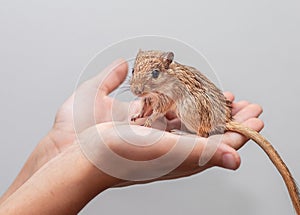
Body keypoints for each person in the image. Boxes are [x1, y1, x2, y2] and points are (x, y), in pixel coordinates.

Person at [0, 59, 263, 215]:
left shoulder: (172, 86)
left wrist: (62, 151)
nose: (137, 86)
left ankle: (202, 129)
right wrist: (74, 156)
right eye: (136, 76)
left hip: (202, 114)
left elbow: (162, 105)